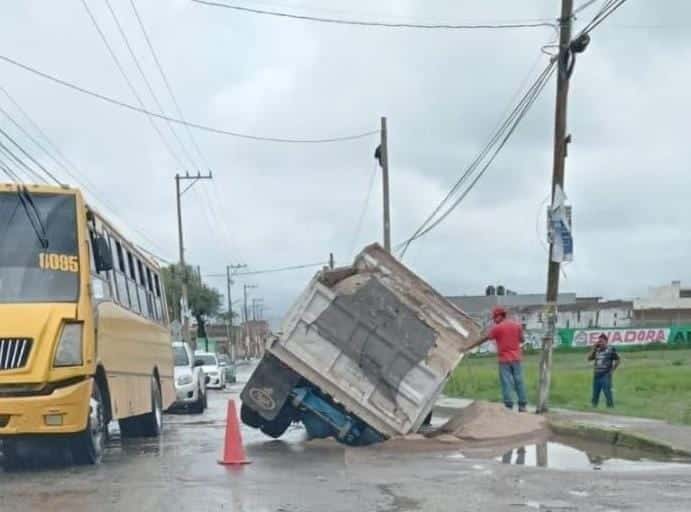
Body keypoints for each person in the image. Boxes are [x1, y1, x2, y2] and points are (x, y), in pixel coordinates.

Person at [471, 306, 528, 411]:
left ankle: (508, 405)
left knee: (506, 382)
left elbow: (484, 339)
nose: (494, 320)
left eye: (495, 318)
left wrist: (469, 347)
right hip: (516, 359)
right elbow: (522, 340)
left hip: (504, 360)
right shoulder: (517, 325)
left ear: (500, 316)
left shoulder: (497, 328)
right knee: (519, 381)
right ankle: (522, 405)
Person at [588, 334, 620, 408]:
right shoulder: (597, 350)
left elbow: (618, 359)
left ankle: (610, 407)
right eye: (599, 341)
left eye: (602, 341)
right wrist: (593, 348)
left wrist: (612, 370)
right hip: (596, 375)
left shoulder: (611, 349)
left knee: (607, 393)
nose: (600, 343)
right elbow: (589, 358)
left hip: (605, 375)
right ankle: (594, 407)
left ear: (606, 342)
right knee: (595, 393)